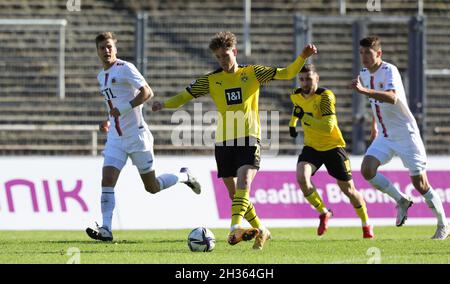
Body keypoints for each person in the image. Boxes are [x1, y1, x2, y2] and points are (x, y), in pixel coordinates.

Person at [152, 31, 317, 249]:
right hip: (224, 141)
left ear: (235, 52)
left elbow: (287, 73)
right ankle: (262, 230)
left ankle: (234, 228)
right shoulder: (212, 80)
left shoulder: (253, 72)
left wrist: (302, 57)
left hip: (249, 137)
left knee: (244, 183)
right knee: (234, 194)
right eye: (218, 57)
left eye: (226, 55)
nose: (222, 60)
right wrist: (163, 104)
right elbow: (184, 96)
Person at [86, 32, 201, 242]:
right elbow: (113, 105)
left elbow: (147, 92)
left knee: (152, 187)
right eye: (102, 47)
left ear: (116, 48)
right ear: (97, 51)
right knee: (107, 180)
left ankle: (185, 176)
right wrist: (109, 120)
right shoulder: (100, 76)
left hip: (137, 137)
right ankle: (106, 229)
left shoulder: (125, 68)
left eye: (109, 46)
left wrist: (124, 108)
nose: (106, 50)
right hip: (116, 138)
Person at [350, 36, 449, 240]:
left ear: (379, 53)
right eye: (361, 53)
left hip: (406, 134)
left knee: (420, 183)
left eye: (368, 53)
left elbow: (392, 97)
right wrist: (374, 125)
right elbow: (375, 104)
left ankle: (443, 224)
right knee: (367, 169)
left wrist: (364, 90)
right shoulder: (363, 74)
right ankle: (401, 200)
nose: (364, 57)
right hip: (386, 135)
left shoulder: (389, 70)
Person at [289, 64, 374, 238]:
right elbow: (297, 109)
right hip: (312, 146)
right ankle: (324, 212)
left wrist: (303, 117)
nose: (305, 83)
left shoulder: (325, 97)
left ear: (317, 79)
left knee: (348, 189)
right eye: (302, 79)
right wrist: (293, 123)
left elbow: (328, 126)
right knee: (301, 178)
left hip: (333, 147)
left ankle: (366, 224)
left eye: (309, 79)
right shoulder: (296, 94)